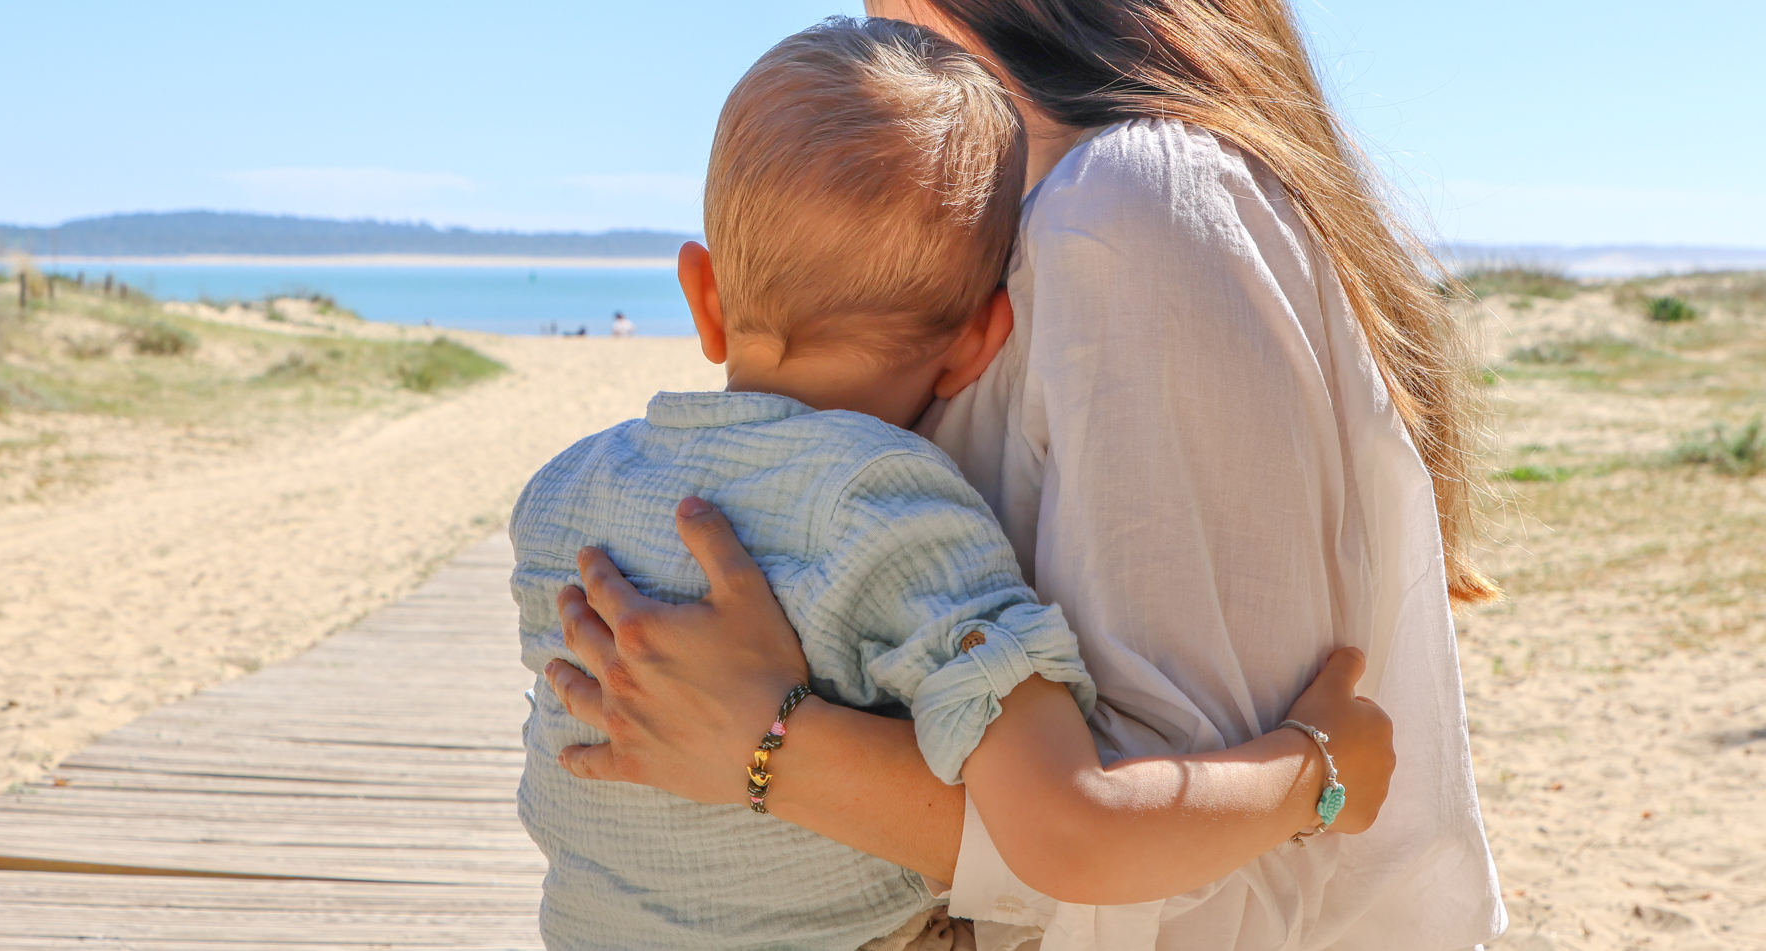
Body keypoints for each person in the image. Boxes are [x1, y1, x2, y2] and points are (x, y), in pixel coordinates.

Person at [543, 2, 1505, 949]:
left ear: (701, 298)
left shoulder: (1130, 206)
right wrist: (1318, 769)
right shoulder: (909, 501)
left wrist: (769, 745)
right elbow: (1090, 832)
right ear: (977, 342)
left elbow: (1201, 909)